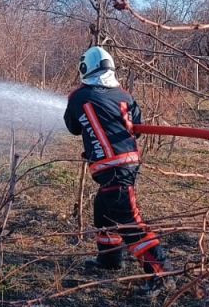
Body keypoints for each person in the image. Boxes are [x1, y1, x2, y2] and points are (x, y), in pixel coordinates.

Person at [64, 46, 168, 290]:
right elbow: (137, 126)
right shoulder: (125, 95)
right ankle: (110, 259)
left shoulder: (79, 96)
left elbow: (73, 127)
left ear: (84, 68)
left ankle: (159, 272)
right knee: (103, 209)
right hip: (128, 162)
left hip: (113, 168)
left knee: (130, 221)